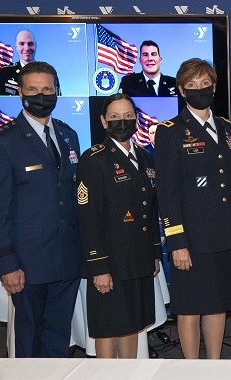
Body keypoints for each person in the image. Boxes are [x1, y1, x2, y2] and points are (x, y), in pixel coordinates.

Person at [0, 61, 82, 357]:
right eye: (33, 89)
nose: (41, 95)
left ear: (57, 91)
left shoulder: (68, 135)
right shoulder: (2, 141)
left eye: (47, 89)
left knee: (58, 337)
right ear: (20, 93)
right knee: (29, 338)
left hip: (67, 257)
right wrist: (7, 263)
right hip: (27, 263)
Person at [154, 58, 231, 359]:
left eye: (205, 84)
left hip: (223, 233)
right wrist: (177, 242)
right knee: (190, 308)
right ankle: (192, 370)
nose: (200, 90)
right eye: (192, 85)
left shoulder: (225, 127)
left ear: (214, 86)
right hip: (192, 239)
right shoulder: (169, 131)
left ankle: (214, 365)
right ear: (181, 91)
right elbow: (166, 192)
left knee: (217, 304)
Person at [76, 93, 163, 358]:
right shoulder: (93, 159)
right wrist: (99, 267)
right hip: (110, 262)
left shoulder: (146, 157)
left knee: (133, 325)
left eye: (127, 116)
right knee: (108, 328)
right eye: (114, 117)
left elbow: (151, 209)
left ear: (137, 119)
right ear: (103, 121)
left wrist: (155, 253)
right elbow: (87, 217)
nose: (121, 121)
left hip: (138, 258)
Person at [0, 30, 36, 96]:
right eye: (22, 44)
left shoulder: (48, 73)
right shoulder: (6, 72)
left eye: (30, 44)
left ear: (35, 46)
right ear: (16, 47)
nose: (26, 48)